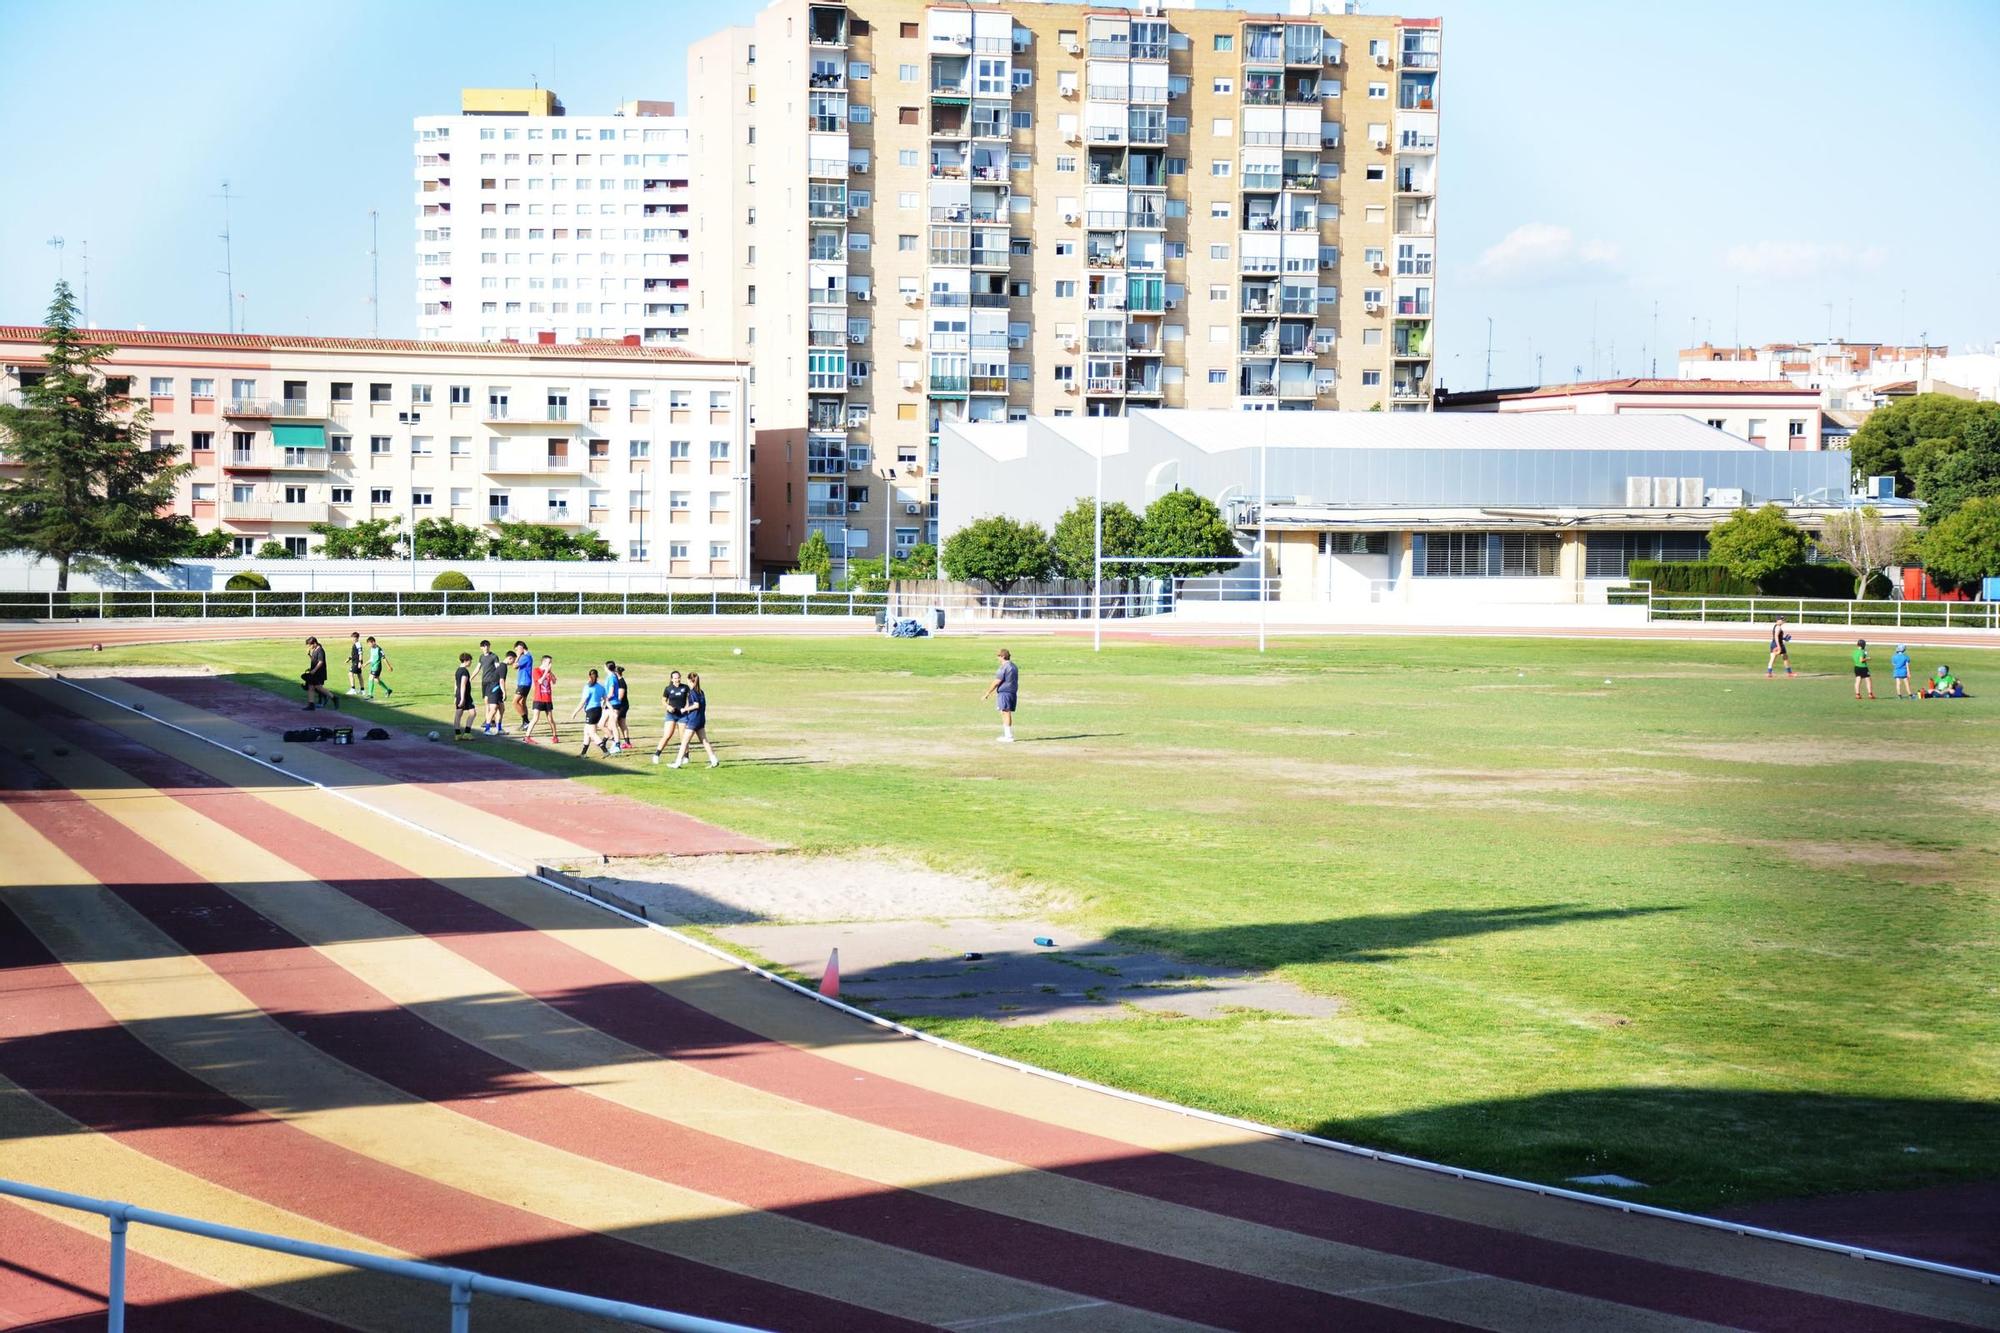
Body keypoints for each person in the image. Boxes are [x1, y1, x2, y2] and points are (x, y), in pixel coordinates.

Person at [668, 670, 718, 769]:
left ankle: (677, 763)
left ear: (689, 680)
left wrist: (685, 709)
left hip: (694, 720)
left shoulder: (693, 692)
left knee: (684, 742)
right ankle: (714, 760)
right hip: (701, 719)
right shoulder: (701, 691)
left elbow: (696, 705)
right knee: (704, 741)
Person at [571, 667, 611, 756]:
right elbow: (605, 699)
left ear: (589, 676)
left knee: (592, 733)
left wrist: (575, 712)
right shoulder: (601, 687)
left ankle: (605, 751)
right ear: (597, 677)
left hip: (591, 711)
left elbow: (583, 701)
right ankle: (583, 753)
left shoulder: (588, 687)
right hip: (598, 710)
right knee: (586, 731)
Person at [652, 669, 689, 765]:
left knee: (683, 737)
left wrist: (686, 708)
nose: (677, 680)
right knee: (667, 735)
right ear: (672, 679)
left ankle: (686, 756)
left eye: (678, 677)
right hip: (671, 715)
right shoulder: (668, 688)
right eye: (675, 678)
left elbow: (689, 700)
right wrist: (668, 706)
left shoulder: (685, 688)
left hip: (683, 715)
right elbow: (663, 700)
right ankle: (656, 755)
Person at [981, 647, 1018, 742]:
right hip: (1012, 691)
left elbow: (997, 681)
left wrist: (987, 693)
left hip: (1005, 692)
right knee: (1005, 712)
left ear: (1002, 656)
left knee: (1005, 712)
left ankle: (1008, 736)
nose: (998, 658)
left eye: (998, 656)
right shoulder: (1014, 666)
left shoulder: (1004, 667)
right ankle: (1007, 734)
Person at [526, 654, 560, 743]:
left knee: (550, 719)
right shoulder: (536, 670)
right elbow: (540, 681)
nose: (550, 664)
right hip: (538, 698)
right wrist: (546, 672)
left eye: (551, 663)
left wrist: (550, 672)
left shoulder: (548, 672)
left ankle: (555, 736)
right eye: (549, 662)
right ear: (544, 662)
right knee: (535, 718)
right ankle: (527, 736)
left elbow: (554, 681)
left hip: (548, 698)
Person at [477, 640, 505, 735]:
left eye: (487, 646)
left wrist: (498, 679)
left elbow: (498, 668)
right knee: (488, 704)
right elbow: (478, 667)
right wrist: (472, 677)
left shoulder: (494, 656)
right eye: (484, 646)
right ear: (481, 647)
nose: (486, 648)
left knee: (495, 705)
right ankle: (489, 722)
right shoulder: (481, 657)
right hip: (484, 682)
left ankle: (492, 723)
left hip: (492, 683)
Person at [605, 660, 632, 751]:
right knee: (619, 724)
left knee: (614, 723)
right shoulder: (618, 680)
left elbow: (620, 696)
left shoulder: (621, 682)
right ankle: (626, 742)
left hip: (621, 705)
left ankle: (614, 742)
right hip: (620, 705)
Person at [301, 635, 332, 711]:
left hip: (320, 672)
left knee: (318, 687)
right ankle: (321, 700)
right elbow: (314, 660)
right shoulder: (315, 650)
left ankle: (327, 697)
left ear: (314, 643)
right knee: (315, 687)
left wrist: (314, 670)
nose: (309, 646)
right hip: (315, 672)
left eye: (309, 645)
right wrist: (309, 655)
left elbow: (321, 662)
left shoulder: (320, 650)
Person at [452, 652, 476, 738]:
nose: (471, 662)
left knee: (458, 714)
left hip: (459, 695)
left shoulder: (458, 670)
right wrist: (462, 698)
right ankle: (467, 733)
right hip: (465, 696)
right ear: (466, 660)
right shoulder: (464, 671)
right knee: (472, 713)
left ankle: (457, 734)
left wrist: (456, 696)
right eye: (470, 661)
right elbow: (462, 685)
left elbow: (455, 684)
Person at [512, 640, 535, 733]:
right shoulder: (527, 656)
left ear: (521, 647)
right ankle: (525, 723)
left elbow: (514, 666)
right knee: (522, 702)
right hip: (524, 682)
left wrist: (518, 656)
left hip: (524, 683)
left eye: (517, 649)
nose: (517, 651)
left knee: (515, 702)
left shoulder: (526, 657)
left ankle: (526, 721)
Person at [365, 635, 395, 701]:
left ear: (373, 642)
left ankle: (370, 695)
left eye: (369, 643)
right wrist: (365, 664)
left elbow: (384, 658)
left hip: (377, 667)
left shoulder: (379, 649)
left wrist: (389, 666)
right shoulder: (371, 649)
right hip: (373, 666)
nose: (369, 645)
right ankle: (388, 690)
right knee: (377, 681)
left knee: (370, 678)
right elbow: (371, 659)